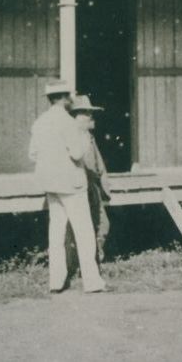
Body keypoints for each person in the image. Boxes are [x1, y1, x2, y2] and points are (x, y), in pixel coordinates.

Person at [28, 79, 106, 294]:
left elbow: (32, 154)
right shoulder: (68, 123)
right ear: (64, 98)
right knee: (84, 231)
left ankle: (56, 281)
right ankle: (92, 282)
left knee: (56, 232)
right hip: (71, 183)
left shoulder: (40, 122)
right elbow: (77, 153)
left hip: (50, 183)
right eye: (69, 95)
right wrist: (83, 136)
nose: (72, 98)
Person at [67, 94, 112, 264]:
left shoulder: (89, 137)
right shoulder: (73, 137)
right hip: (80, 188)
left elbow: (99, 164)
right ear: (76, 117)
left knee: (103, 223)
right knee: (85, 226)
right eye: (85, 113)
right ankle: (86, 262)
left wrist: (104, 187)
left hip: (92, 188)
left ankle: (95, 256)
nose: (90, 117)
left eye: (90, 113)